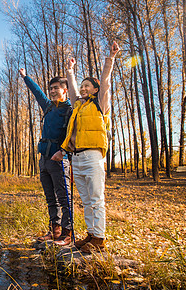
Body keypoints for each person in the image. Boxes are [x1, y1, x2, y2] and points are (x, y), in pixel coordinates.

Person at [52, 41, 120, 252]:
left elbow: (106, 82)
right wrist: (70, 71)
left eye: (86, 86)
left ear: (96, 90)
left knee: (96, 197)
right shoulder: (78, 105)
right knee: (86, 200)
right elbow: (72, 90)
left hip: (93, 155)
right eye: (82, 86)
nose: (82, 88)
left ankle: (99, 238)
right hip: (77, 157)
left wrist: (111, 59)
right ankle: (91, 235)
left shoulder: (100, 104)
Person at [19, 68, 73, 246]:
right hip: (44, 159)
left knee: (64, 198)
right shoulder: (48, 106)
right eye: (50, 88)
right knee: (51, 198)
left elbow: (74, 135)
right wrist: (25, 77)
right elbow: (37, 92)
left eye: (56, 88)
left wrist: (63, 152)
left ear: (65, 90)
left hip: (59, 159)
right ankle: (55, 230)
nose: (52, 91)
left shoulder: (70, 110)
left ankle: (67, 233)